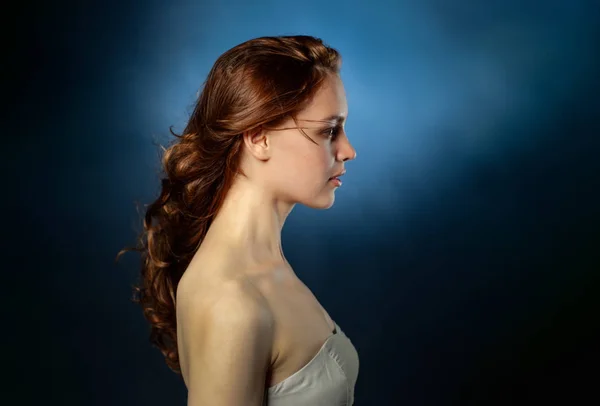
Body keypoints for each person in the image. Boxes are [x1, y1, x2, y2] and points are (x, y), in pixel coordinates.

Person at [117, 35, 359, 405]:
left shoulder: (264, 267)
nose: (348, 150)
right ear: (258, 136)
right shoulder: (232, 301)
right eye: (328, 131)